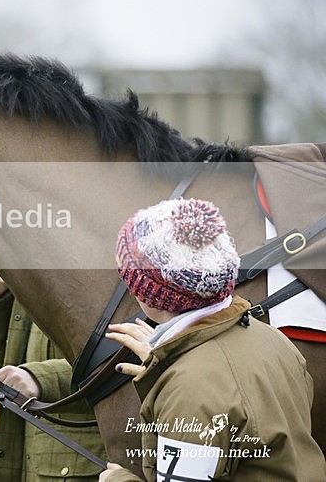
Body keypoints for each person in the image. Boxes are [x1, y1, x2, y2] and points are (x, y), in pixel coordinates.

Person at [100, 198, 326, 481]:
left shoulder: (189, 390)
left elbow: (203, 396)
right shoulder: (273, 339)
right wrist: (166, 363)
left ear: (150, 296)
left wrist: (118, 479)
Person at [0, 258, 107, 481]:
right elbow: (4, 366)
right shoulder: (33, 255)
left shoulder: (114, 254)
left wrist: (41, 379)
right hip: (33, 457)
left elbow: (133, 361)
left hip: (87, 463)